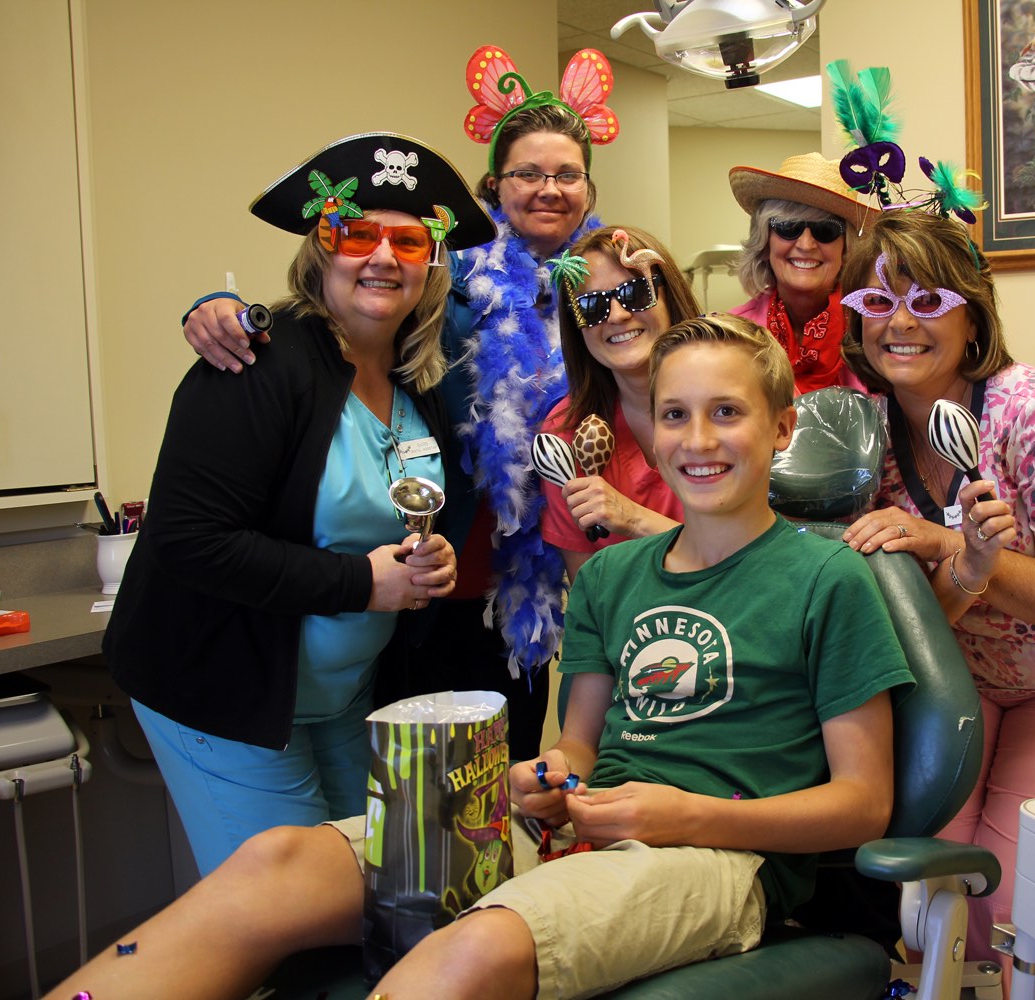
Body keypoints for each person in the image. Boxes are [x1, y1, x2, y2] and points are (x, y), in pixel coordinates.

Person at [45, 313, 914, 1000]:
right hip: (579, 830)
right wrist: (543, 778)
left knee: (470, 949)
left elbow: (862, 803)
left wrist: (681, 815)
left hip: (719, 860)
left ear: (782, 425)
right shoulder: (613, 577)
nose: (698, 440)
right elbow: (576, 747)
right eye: (676, 414)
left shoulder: (827, 580)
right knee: (275, 863)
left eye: (728, 413)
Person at [176, 49, 614, 759]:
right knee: (419, 800)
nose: (547, 189)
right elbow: (337, 312)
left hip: (534, 582)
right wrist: (220, 310)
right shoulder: (442, 280)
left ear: (589, 191)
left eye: (566, 174)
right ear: (492, 188)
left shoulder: (602, 289)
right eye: (527, 173)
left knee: (500, 788)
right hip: (425, 583)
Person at [105, 133, 491, 875]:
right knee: (291, 911)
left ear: (432, 264)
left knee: (369, 886)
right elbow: (190, 540)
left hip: (341, 695)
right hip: (228, 690)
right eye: (354, 232)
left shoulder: (418, 378)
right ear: (320, 249)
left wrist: (426, 554)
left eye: (409, 241)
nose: (382, 256)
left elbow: (395, 508)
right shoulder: (258, 361)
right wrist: (363, 584)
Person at [836, 209, 1035, 989]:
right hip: (963, 677)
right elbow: (931, 616)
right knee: (930, 887)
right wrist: (966, 566)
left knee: (1010, 898)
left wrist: (953, 546)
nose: (901, 323)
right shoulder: (868, 436)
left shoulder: (1028, 410)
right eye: (876, 304)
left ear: (971, 312)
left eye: (927, 301)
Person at [539, 225, 697, 581]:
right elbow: (590, 596)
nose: (616, 315)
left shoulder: (738, 401)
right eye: (591, 305)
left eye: (635, 292)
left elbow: (763, 560)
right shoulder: (564, 435)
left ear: (669, 293)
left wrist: (635, 519)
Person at [728, 152, 877, 394]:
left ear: (846, 247)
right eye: (788, 227)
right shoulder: (729, 336)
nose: (806, 244)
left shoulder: (875, 327)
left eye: (826, 230)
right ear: (765, 242)